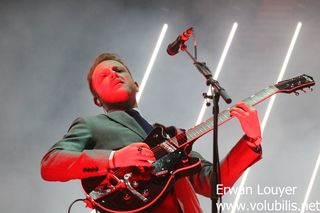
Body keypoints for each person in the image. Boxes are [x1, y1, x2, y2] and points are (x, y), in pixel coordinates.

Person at [41, 53, 263, 213]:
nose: (113, 74)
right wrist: (114, 158)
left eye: (118, 70)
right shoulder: (90, 125)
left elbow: (214, 184)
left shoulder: (172, 136)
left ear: (135, 84)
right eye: (103, 76)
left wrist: (251, 140)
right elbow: (51, 164)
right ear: (97, 100)